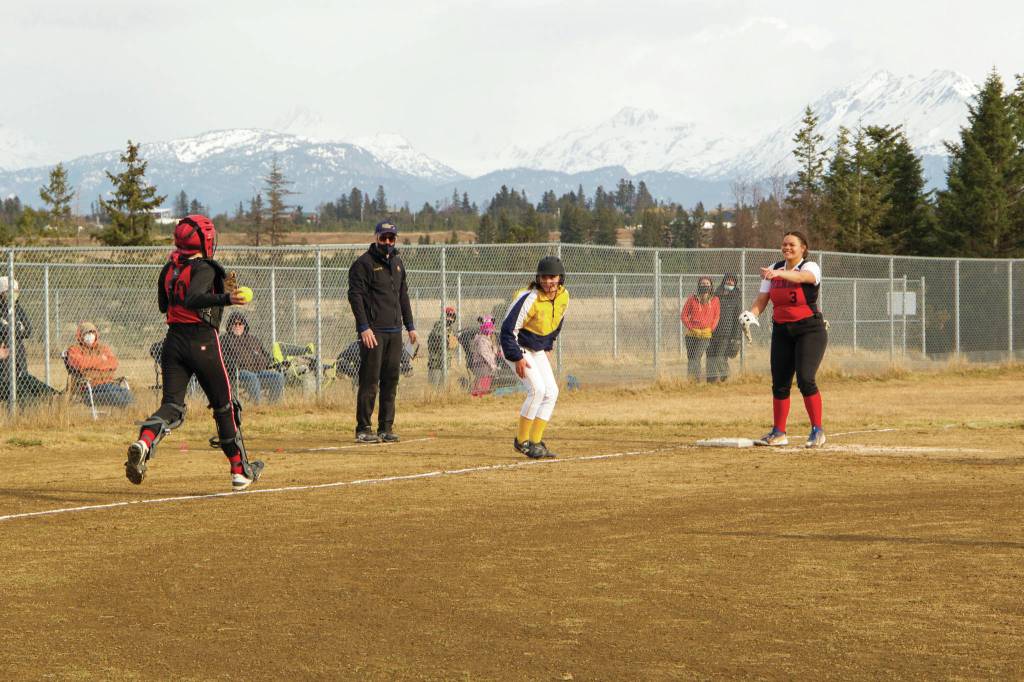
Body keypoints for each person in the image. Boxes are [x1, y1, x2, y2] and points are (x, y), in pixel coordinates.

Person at [124, 214, 265, 491]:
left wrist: (212, 288)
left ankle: (145, 441)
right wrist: (226, 298)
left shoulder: (169, 268)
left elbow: (165, 305)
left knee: (172, 407)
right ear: (206, 240)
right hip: (202, 342)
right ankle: (239, 470)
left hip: (173, 342)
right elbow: (193, 298)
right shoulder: (206, 267)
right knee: (225, 406)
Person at [739, 230, 828, 448]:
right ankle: (779, 432)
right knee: (780, 383)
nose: (787, 248)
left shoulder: (810, 267)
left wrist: (778, 274)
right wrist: (751, 314)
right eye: (784, 244)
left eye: (792, 245)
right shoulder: (775, 267)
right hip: (782, 330)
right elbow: (762, 299)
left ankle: (817, 430)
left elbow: (801, 278)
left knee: (806, 379)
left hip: (809, 330)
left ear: (803, 248)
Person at [347, 220, 417, 443]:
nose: (387, 242)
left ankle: (385, 427)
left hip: (394, 331)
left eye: (391, 238)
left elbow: (402, 297)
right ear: (376, 237)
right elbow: (355, 297)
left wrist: (410, 326)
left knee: (391, 379)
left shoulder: (397, 263)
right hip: (373, 332)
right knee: (370, 380)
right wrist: (364, 327)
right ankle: (363, 428)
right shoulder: (363, 264)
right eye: (384, 237)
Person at [500, 256, 569, 459]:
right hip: (516, 345)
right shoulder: (530, 298)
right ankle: (522, 441)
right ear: (538, 278)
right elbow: (507, 330)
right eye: (544, 277)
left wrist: (548, 344)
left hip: (536, 348)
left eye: (553, 277)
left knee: (552, 392)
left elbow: (557, 321)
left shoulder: (564, 297)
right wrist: (517, 357)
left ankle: (536, 442)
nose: (548, 281)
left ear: (561, 278)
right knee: (537, 390)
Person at [220, 311, 284, 404]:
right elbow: (222, 357)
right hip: (239, 373)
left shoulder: (253, 339)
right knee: (252, 377)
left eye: (240, 323)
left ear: (244, 325)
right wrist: (233, 365)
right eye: (234, 323)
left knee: (278, 377)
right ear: (230, 325)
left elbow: (265, 354)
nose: (237, 326)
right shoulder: (225, 339)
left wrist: (271, 363)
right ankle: (256, 406)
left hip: (259, 371)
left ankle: (272, 404)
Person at [65, 321, 134, 406]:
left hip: (109, 383)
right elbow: (80, 363)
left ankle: (131, 412)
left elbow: (114, 362)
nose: (90, 336)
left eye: (92, 332)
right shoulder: (74, 350)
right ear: (80, 335)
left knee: (126, 393)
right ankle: (128, 410)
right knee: (114, 394)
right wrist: (102, 359)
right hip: (90, 387)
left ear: (96, 334)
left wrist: (91, 364)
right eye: (86, 333)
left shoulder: (102, 348)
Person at [681, 275, 720, 381]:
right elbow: (684, 315)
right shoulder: (692, 299)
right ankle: (691, 380)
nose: (705, 286)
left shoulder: (715, 300)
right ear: (699, 285)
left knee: (697, 356)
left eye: (707, 284)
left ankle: (697, 379)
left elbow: (716, 316)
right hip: (692, 334)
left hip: (705, 335)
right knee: (691, 358)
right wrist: (690, 327)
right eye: (703, 284)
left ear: (711, 286)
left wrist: (711, 328)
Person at [706, 273, 743, 383]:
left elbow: (738, 320)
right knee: (710, 357)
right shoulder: (716, 295)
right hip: (712, 331)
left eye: (732, 281)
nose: (730, 282)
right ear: (724, 281)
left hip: (726, 334)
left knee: (720, 357)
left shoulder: (737, 298)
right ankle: (711, 380)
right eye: (728, 280)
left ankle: (725, 376)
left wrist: (736, 337)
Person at [426, 306, 458, 387]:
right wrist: (447, 336)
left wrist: (453, 338)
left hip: (445, 363)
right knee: (433, 387)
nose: (450, 319)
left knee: (443, 387)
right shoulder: (439, 325)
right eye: (448, 316)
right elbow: (438, 334)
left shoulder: (451, 330)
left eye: (452, 317)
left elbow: (453, 345)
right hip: (436, 363)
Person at [469, 315, 499, 396]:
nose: (490, 331)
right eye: (488, 329)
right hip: (481, 363)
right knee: (484, 378)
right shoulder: (481, 339)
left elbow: (494, 351)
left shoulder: (488, 338)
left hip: (486, 363)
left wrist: (494, 347)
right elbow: (484, 353)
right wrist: (492, 365)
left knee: (487, 379)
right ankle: (478, 393)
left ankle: (480, 393)